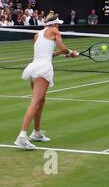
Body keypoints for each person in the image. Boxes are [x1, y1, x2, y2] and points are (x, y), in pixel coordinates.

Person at [15, 18, 79, 150]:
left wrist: (64, 53)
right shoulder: (55, 31)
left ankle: (37, 133)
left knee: (41, 101)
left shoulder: (37, 35)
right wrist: (70, 53)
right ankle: (22, 136)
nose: (58, 27)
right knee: (35, 101)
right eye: (57, 24)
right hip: (43, 69)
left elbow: (48, 54)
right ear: (53, 24)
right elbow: (62, 47)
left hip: (33, 67)